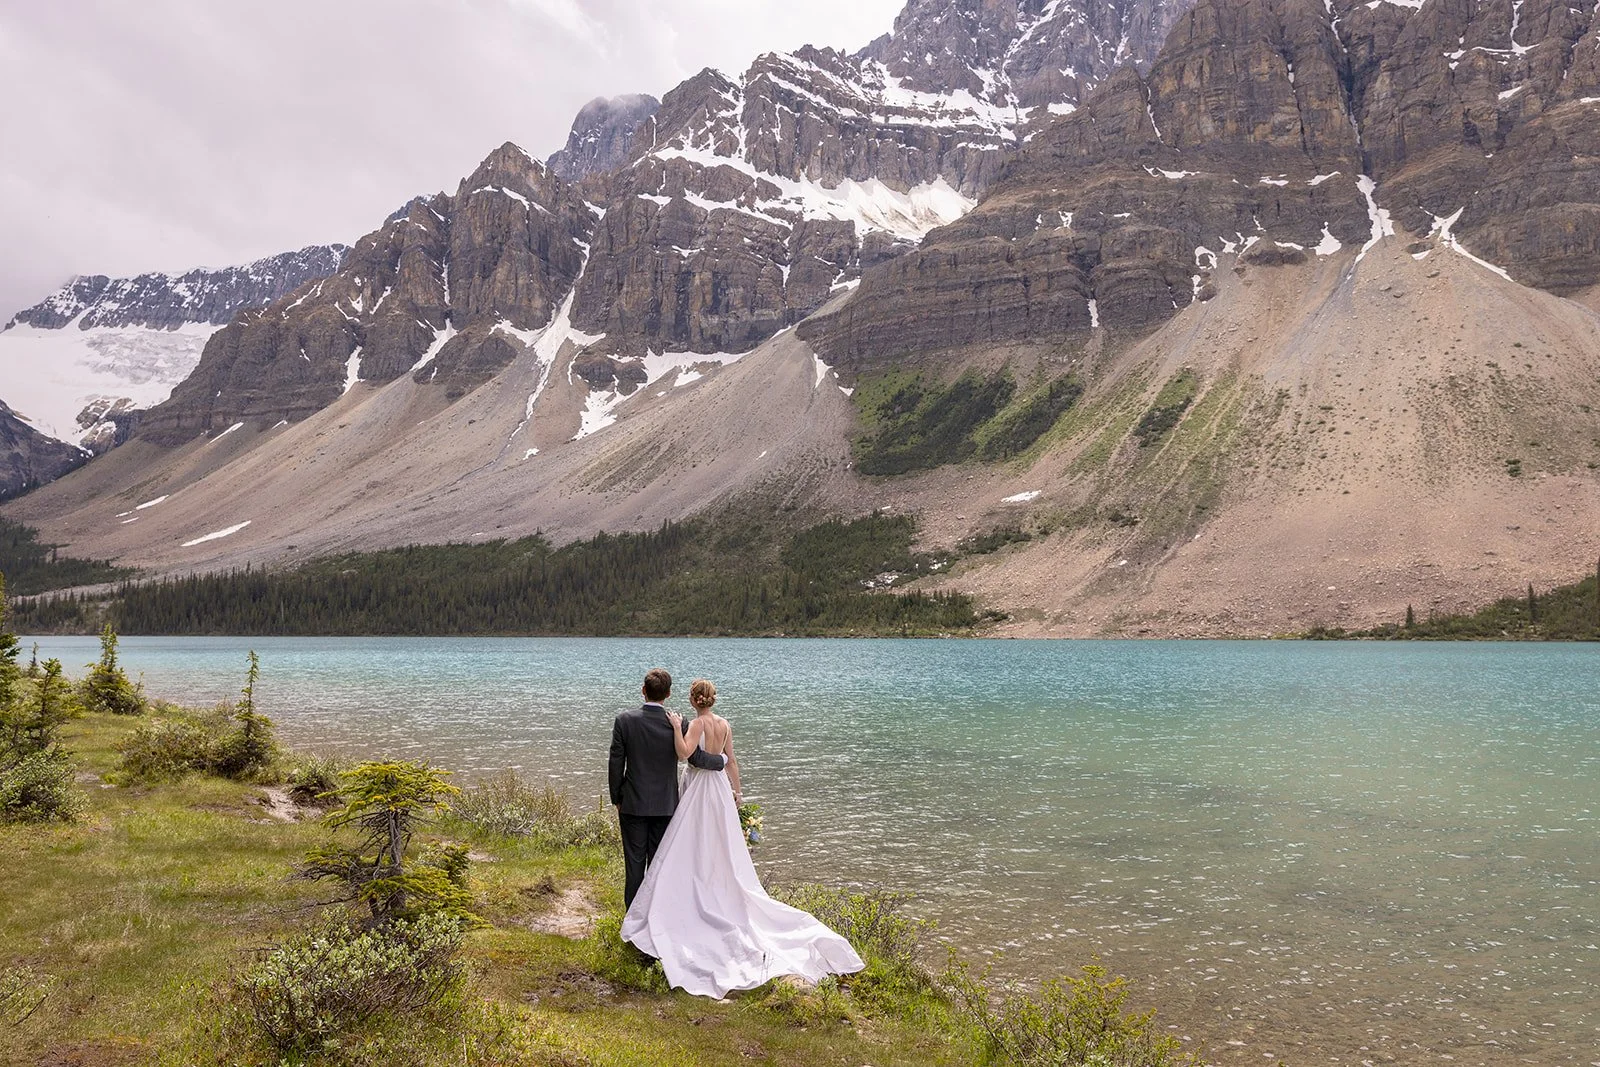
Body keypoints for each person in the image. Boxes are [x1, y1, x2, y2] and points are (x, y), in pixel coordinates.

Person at [620, 678, 864, 998]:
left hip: (698, 791)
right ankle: (715, 885)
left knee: (691, 843)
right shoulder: (724, 724)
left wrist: (677, 726)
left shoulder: (696, 723)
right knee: (722, 845)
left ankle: (689, 891)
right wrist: (737, 790)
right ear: (712, 699)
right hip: (719, 790)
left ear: (694, 700)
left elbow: (684, 754)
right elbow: (731, 760)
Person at [609, 668, 727, 908]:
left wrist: (617, 798)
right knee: (659, 865)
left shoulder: (624, 721)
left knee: (633, 865)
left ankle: (632, 919)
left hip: (632, 803)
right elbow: (695, 758)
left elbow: (615, 763)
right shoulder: (678, 721)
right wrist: (723, 760)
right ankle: (654, 917)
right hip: (666, 805)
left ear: (643, 691)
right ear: (669, 694)